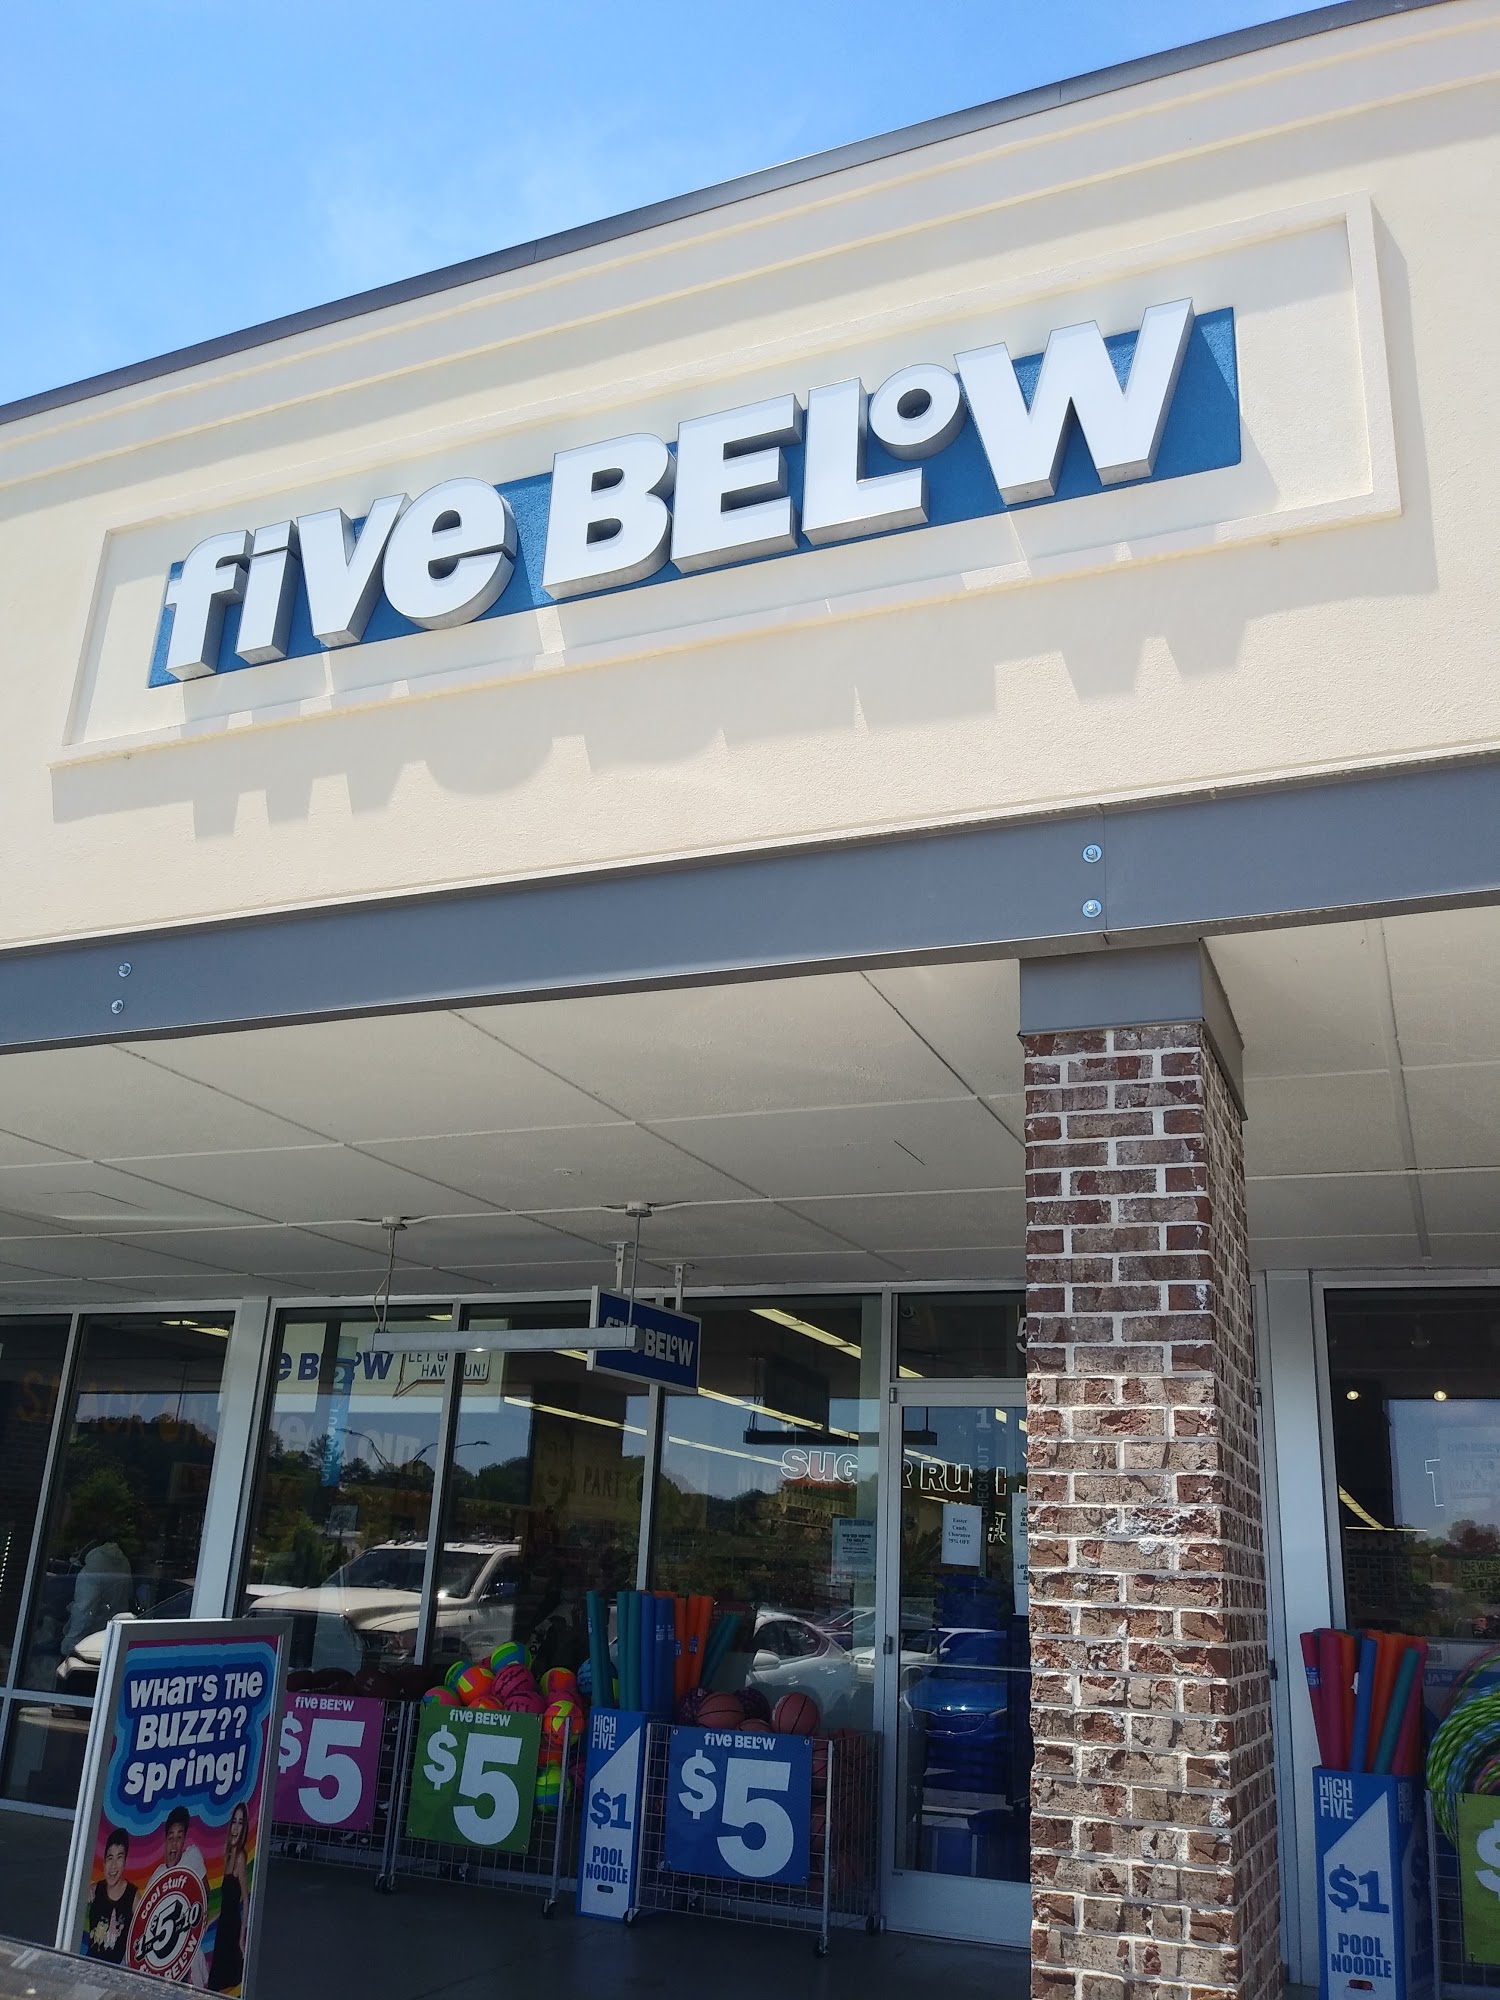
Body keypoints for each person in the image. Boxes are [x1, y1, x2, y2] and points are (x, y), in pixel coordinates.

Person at [145, 1806, 210, 1988]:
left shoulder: (192, 1857)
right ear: (165, 1841)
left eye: (179, 1837)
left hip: (188, 1946)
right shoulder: (156, 1878)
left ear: (184, 1840)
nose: (174, 1844)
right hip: (164, 1954)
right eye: (171, 1837)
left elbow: (205, 1889)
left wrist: (202, 1914)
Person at [206, 1803, 249, 1993]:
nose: (236, 1827)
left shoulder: (240, 1857)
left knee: (223, 1980)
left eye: (240, 1823)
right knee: (216, 1981)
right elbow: (226, 1903)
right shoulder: (228, 1853)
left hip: (232, 1929)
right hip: (223, 1926)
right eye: (234, 1822)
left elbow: (245, 1899)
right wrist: (210, 1921)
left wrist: (241, 1937)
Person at [85, 1826, 135, 1963]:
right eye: (110, 1858)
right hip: (90, 1965)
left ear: (125, 1862)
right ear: (104, 1862)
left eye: (119, 1857)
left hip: (116, 1970)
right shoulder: (94, 1890)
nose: (113, 1865)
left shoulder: (133, 1897)